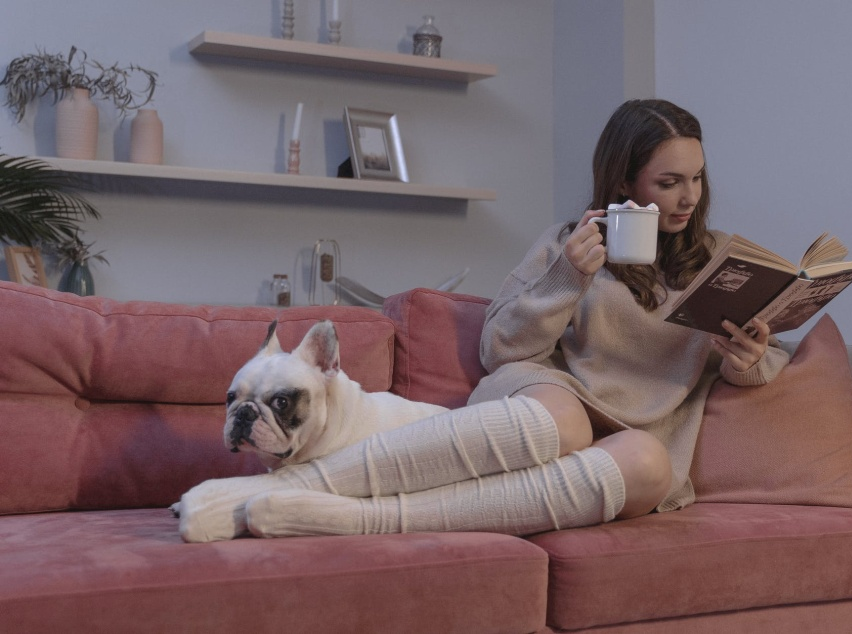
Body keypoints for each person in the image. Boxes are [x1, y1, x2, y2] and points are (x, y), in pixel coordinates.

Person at [182, 99, 790, 542]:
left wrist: (749, 359)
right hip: (547, 400)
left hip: (626, 441)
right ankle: (295, 490)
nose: (688, 197)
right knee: (568, 419)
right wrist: (569, 278)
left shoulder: (720, 259)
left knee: (654, 466)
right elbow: (502, 346)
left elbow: (764, 359)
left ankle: (355, 518)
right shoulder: (568, 244)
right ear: (625, 183)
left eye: (697, 178)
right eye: (669, 182)